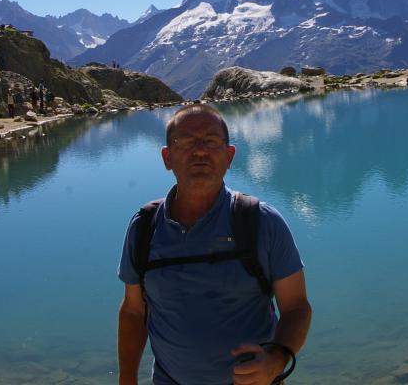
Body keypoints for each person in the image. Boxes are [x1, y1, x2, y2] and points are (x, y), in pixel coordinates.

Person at [117, 104, 311, 385]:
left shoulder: (261, 222)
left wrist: (275, 360)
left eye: (211, 141)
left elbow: (296, 308)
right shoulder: (145, 227)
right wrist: (127, 379)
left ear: (229, 155)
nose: (199, 151)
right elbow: (134, 312)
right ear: (167, 157)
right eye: (185, 141)